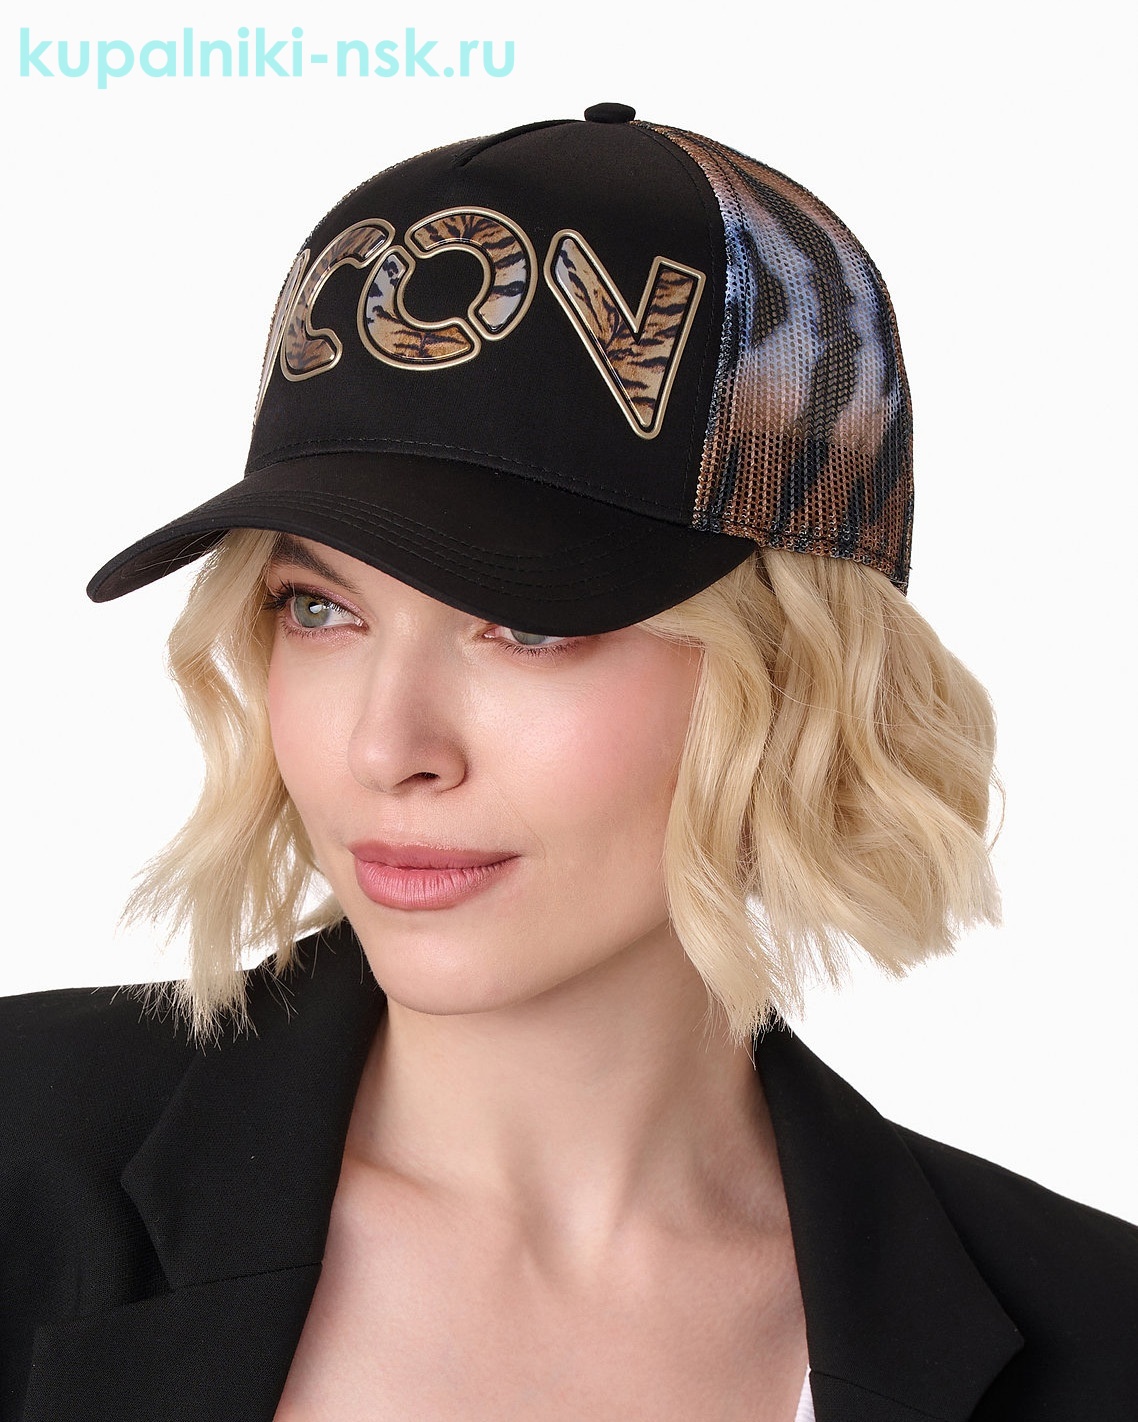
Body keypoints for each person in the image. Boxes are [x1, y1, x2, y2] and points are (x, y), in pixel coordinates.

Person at [2, 104, 1134, 1422]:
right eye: (319, 609)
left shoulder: (1096, 1336)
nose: (387, 747)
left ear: (795, 673)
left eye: (526, 624)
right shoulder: (24, 1161)